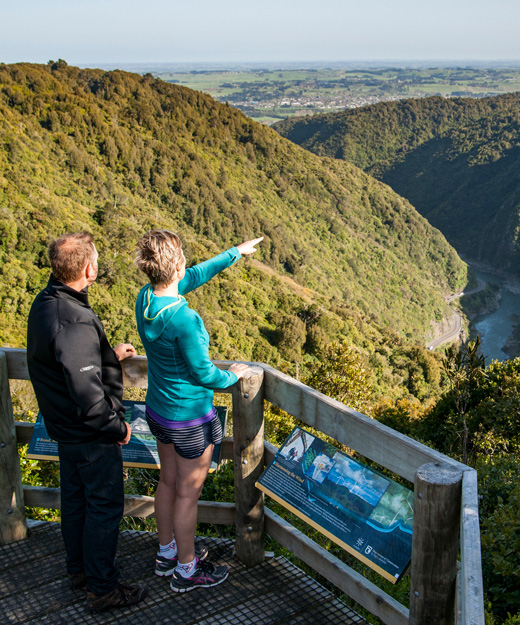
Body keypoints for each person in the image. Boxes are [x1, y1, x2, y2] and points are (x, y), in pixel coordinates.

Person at [135, 230, 263, 593]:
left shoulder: (146, 298)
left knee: (168, 483)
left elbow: (193, 277)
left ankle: (167, 554)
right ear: (177, 265)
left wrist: (234, 253)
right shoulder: (184, 320)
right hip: (189, 417)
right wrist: (232, 376)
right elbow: (203, 373)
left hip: (159, 410)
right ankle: (187, 570)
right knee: (188, 494)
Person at [26, 232, 147, 613]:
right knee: (103, 506)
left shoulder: (46, 304)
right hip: (90, 433)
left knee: (76, 501)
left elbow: (68, 363)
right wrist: (118, 427)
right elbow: (88, 393)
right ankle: (102, 588)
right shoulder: (74, 319)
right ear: (89, 269)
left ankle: (79, 570)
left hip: (64, 428)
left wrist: (107, 356)